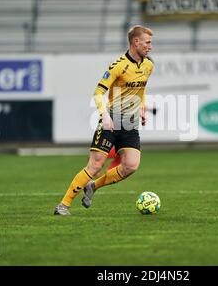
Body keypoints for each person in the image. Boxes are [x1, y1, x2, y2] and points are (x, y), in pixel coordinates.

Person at [54, 25, 154, 215]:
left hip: (130, 124)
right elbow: (98, 92)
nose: (150, 47)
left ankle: (93, 187)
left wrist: (141, 108)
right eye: (148, 43)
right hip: (112, 120)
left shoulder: (148, 65)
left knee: (131, 166)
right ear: (136, 42)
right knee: (95, 165)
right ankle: (63, 205)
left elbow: (141, 89)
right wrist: (105, 116)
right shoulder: (118, 66)